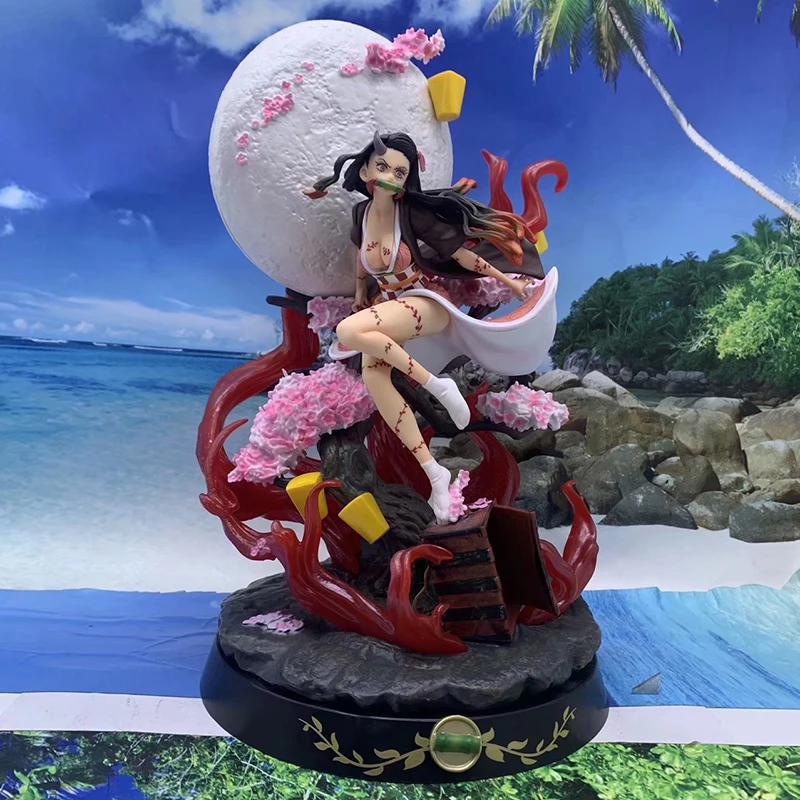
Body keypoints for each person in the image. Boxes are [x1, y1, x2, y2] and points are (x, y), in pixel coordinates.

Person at [304, 131, 550, 523]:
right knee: (374, 378)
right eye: (382, 167)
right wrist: (359, 293)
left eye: (400, 172)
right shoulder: (361, 215)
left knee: (348, 332)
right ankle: (435, 474)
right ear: (365, 170)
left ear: (406, 181)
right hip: (388, 307)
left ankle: (437, 386)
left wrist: (509, 282)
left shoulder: (410, 213)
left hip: (425, 303)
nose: (389, 176)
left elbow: (462, 256)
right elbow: (360, 260)